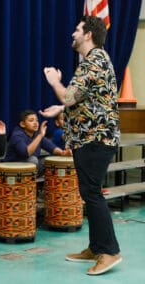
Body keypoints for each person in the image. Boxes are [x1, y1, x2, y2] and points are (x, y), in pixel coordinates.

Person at [41, 16, 122, 275]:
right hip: (90, 139)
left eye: (77, 30)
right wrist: (61, 107)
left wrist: (55, 82)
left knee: (92, 194)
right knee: (90, 192)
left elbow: (69, 95)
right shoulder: (94, 61)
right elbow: (79, 100)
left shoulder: (94, 60)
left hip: (95, 140)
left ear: (88, 35)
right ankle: (96, 247)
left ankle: (109, 251)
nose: (73, 34)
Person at [4, 109, 71, 176]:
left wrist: (63, 153)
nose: (35, 123)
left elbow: (51, 147)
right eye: (31, 120)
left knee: (50, 161)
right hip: (12, 169)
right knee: (33, 160)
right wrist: (40, 135)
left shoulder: (36, 134)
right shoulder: (17, 135)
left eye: (36, 120)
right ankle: (28, 182)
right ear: (22, 124)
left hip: (29, 169)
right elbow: (25, 153)